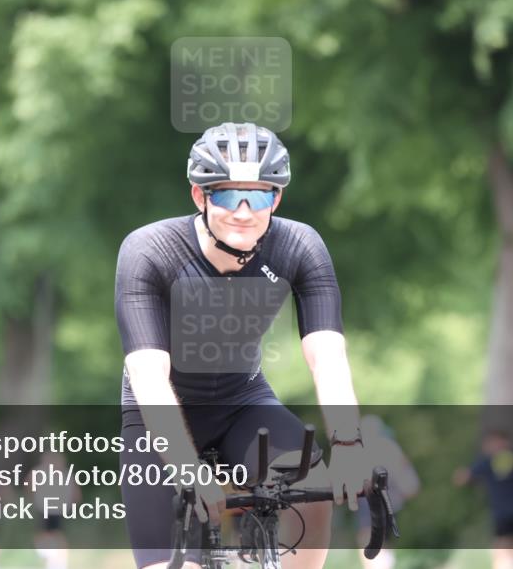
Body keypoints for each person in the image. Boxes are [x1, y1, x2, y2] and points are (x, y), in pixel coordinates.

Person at [116, 122, 370, 569]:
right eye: (229, 195)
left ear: (277, 198)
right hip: (156, 413)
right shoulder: (149, 251)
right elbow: (148, 376)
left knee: (314, 488)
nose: (245, 212)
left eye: (261, 195)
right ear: (201, 197)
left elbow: (327, 357)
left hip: (243, 402)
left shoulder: (300, 246)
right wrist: (186, 467)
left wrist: (349, 444)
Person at [452, 429, 513, 569]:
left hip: (501, 513)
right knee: (512, 547)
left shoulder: (489, 460)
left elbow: (463, 478)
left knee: (500, 552)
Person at [354, 416, 419, 569]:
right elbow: (409, 484)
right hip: (391, 505)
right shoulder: (389, 447)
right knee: (382, 545)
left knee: (370, 544)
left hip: (372, 505)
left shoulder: (361, 451)